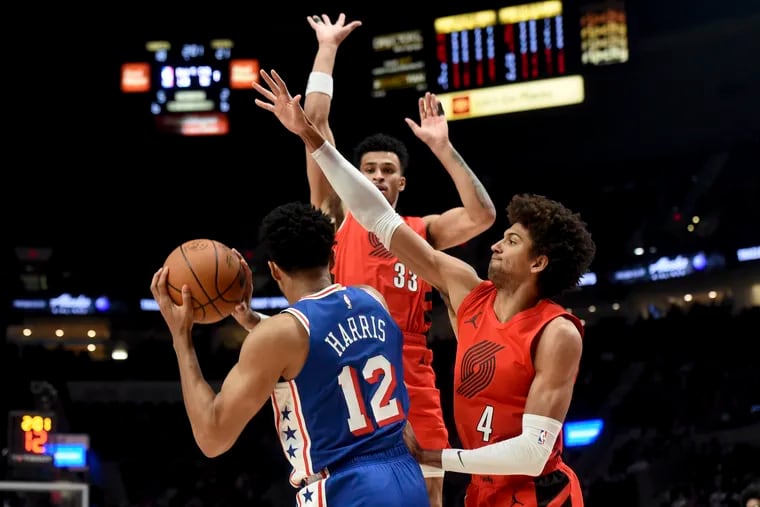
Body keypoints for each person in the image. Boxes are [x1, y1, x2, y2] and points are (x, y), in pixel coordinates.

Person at [253, 69, 597, 507]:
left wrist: (437, 456)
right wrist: (310, 136)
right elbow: (378, 215)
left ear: (538, 262)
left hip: (538, 492)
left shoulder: (557, 333)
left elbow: (532, 454)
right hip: (481, 488)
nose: (495, 243)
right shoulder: (467, 292)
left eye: (511, 242)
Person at [302, 14, 497, 506]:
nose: (378, 177)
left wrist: (445, 149)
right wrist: (327, 49)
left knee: (431, 494)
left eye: (388, 171)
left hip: (415, 367)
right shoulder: (336, 220)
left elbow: (482, 215)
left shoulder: (420, 231)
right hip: (353, 363)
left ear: (401, 183)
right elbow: (314, 126)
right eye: (368, 170)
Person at [150, 201, 430, 507]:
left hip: (346, 488)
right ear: (332, 256)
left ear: (274, 269)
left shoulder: (280, 335)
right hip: (406, 478)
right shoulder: (373, 299)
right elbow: (324, 347)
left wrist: (181, 338)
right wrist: (253, 321)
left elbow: (212, 436)